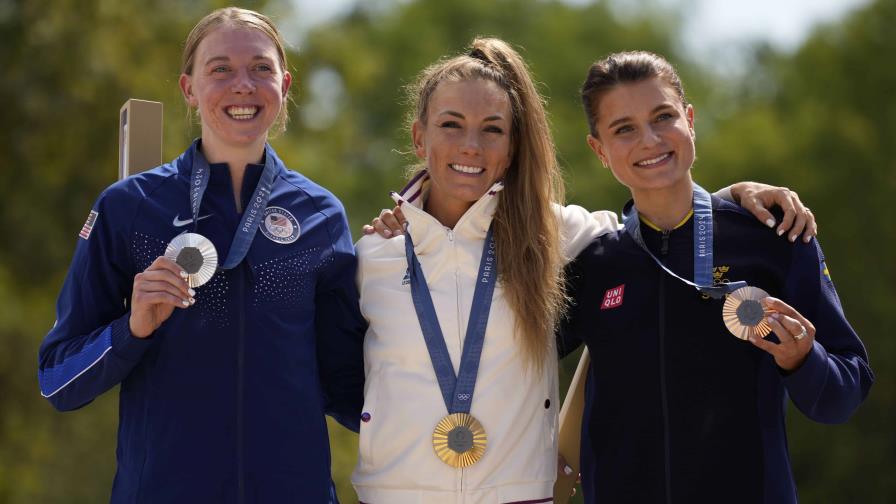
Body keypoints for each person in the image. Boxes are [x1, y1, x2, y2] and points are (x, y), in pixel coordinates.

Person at [353, 38, 815, 503]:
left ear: (512, 148)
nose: (471, 146)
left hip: (520, 494)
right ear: (419, 137)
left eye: (493, 129)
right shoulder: (373, 254)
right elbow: (345, 378)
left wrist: (729, 200)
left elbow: (656, 229)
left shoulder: (556, 233)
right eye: (451, 124)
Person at [37, 8, 364, 503]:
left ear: (285, 84)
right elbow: (59, 382)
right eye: (220, 70)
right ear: (189, 88)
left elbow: (349, 386)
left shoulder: (320, 214)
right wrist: (133, 328)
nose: (243, 86)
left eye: (260, 68)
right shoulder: (130, 206)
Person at [559, 51, 873, 504]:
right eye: (623, 128)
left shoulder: (775, 236)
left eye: (663, 117)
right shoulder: (594, 265)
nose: (649, 139)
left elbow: (843, 394)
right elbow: (513, 363)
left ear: (690, 120)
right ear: (599, 150)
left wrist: (804, 360)